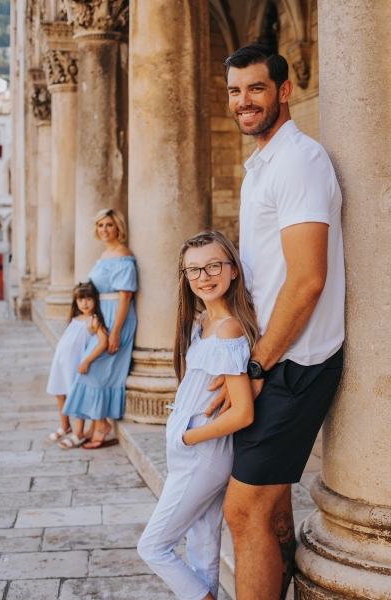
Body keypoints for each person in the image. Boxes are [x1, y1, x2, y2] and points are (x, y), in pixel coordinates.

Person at [205, 44, 345, 600]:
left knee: (243, 512)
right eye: (236, 90)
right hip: (268, 355)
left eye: (256, 88)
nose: (244, 101)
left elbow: (307, 279)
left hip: (294, 363)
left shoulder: (299, 161)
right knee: (272, 507)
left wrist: (260, 364)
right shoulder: (263, 162)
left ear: (284, 91)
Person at [138, 230, 259, 600]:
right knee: (203, 549)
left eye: (213, 266)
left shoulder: (228, 330)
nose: (204, 277)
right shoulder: (203, 322)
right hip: (193, 452)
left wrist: (188, 436)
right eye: (194, 270)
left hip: (201, 454)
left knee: (153, 547)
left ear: (233, 270)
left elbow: (242, 413)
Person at [62, 208, 137, 450]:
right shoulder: (104, 255)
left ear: (118, 228)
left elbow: (125, 297)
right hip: (103, 316)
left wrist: (115, 331)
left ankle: (102, 426)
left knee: (96, 368)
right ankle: (98, 424)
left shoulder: (123, 255)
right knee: (89, 369)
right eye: (100, 226)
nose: (104, 230)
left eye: (109, 225)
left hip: (118, 318)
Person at [46, 281, 108, 448]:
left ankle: (79, 432)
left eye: (88, 299)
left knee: (75, 397)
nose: (85, 303)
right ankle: (65, 426)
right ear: (76, 302)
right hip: (61, 362)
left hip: (76, 364)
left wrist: (87, 360)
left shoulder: (94, 321)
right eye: (81, 300)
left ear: (95, 300)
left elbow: (103, 342)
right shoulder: (74, 319)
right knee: (59, 393)